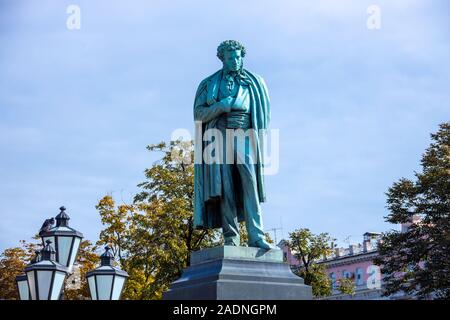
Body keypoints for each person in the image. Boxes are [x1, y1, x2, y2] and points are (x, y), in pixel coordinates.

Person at [193, 40, 273, 249]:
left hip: (244, 134)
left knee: (250, 183)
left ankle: (256, 236)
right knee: (225, 186)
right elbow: (198, 114)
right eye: (231, 58)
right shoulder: (209, 84)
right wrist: (220, 106)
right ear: (222, 59)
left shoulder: (255, 82)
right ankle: (231, 236)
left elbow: (264, 115)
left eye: (238, 57)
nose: (236, 61)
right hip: (218, 136)